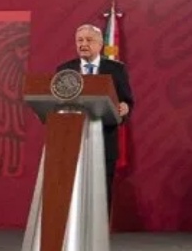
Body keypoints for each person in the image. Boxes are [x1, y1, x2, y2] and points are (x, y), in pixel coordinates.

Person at [56, 24, 135, 211]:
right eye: (79, 40)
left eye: (89, 40)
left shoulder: (116, 69)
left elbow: (127, 101)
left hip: (105, 141)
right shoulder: (65, 70)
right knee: (72, 194)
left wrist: (125, 108)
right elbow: (57, 101)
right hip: (72, 142)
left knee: (102, 195)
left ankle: (100, 229)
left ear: (100, 44)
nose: (83, 44)